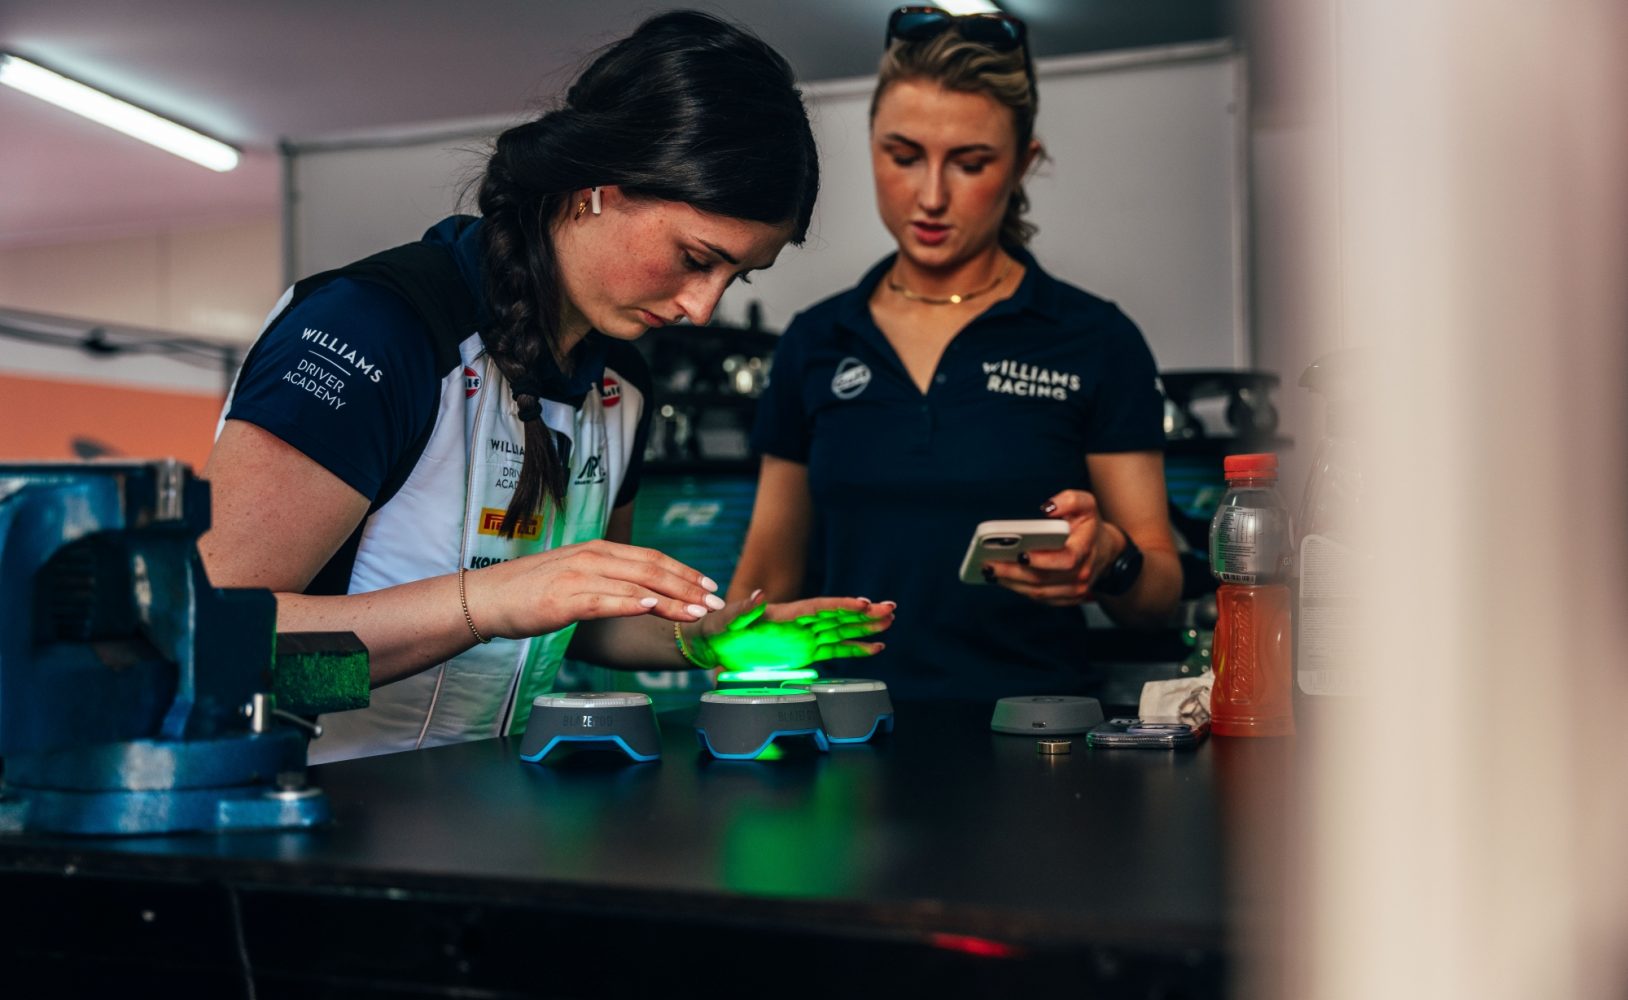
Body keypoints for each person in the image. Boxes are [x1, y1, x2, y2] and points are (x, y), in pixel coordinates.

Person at [199, 10, 892, 764]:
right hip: (315, 797)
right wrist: (488, 602)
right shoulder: (372, 330)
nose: (702, 308)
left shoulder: (622, 382)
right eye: (695, 259)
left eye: (737, 277)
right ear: (597, 186)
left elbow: (583, 621)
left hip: (496, 800)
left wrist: (705, 639)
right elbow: (211, 643)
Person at [731, 7, 1179, 701]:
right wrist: (729, 691)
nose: (931, 196)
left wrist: (1112, 559)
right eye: (903, 156)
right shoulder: (817, 341)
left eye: (971, 163)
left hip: (1036, 732)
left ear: (1023, 164)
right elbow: (767, 578)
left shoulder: (1094, 338)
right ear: (871, 145)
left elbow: (1159, 597)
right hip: (849, 730)